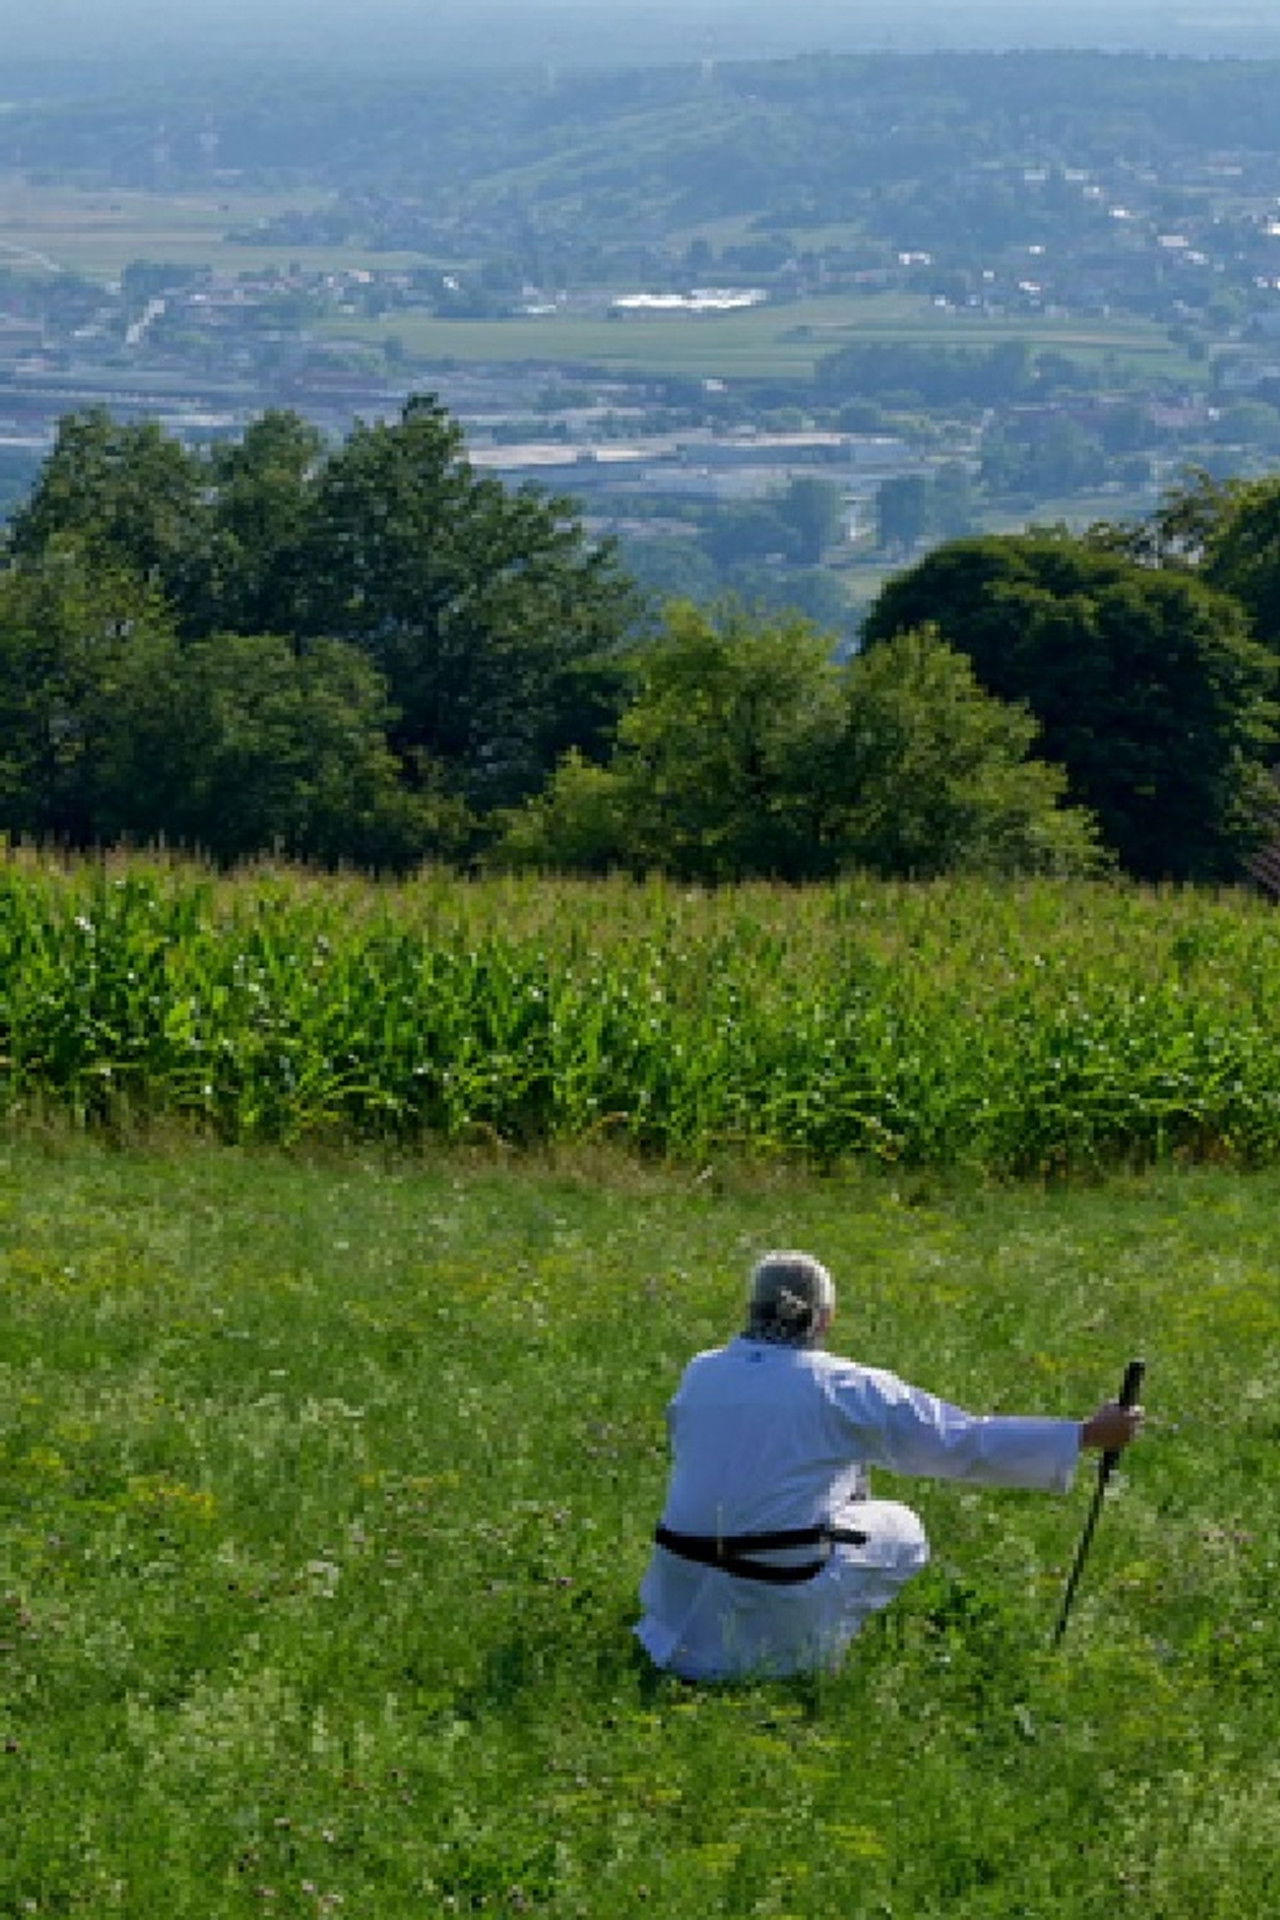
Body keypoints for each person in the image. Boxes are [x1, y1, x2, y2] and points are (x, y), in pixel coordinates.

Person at [636, 1249, 1143, 1682]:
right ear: (825, 1318)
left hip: (678, 1599)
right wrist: (1085, 1435)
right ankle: (813, 1650)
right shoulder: (843, 1386)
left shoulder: (701, 1371)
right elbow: (962, 1443)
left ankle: (753, 1638)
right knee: (902, 1528)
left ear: (751, 1308)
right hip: (775, 1593)